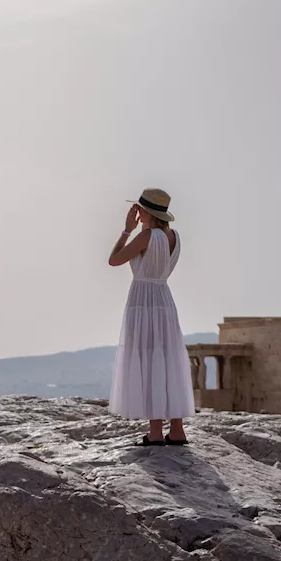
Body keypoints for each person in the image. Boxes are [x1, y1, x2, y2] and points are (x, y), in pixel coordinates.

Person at [108, 189, 193, 446]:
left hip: (143, 300)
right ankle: (177, 430)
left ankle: (155, 432)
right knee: (167, 359)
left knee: (147, 358)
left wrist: (126, 230)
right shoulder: (174, 236)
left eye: (139, 209)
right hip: (164, 300)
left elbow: (114, 260)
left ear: (147, 213)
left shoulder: (146, 236)